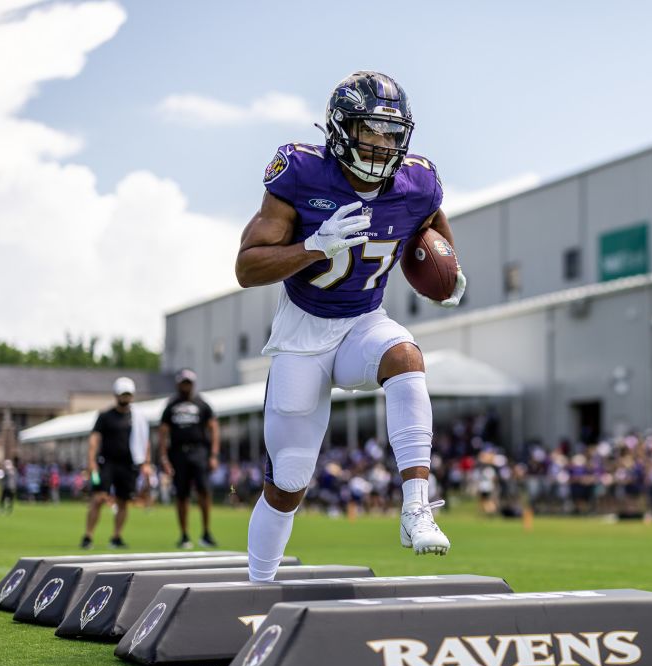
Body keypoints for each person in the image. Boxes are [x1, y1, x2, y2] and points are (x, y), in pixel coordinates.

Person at [235, 71, 465, 581]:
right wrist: (315, 245)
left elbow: (433, 228)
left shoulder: (417, 182)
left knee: (406, 356)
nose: (383, 145)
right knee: (289, 480)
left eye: (391, 133)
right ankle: (257, 585)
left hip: (363, 322)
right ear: (342, 129)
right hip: (302, 336)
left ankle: (415, 508)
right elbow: (246, 268)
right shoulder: (302, 171)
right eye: (371, 131)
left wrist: (450, 275)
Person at [81, 377, 152, 549]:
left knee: (123, 501)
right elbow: (94, 438)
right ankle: (88, 536)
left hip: (128, 465)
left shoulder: (138, 418)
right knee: (98, 499)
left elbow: (145, 441)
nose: (125, 398)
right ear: (116, 395)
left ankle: (116, 536)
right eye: (122, 394)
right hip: (107, 463)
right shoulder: (105, 416)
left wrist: (147, 462)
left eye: (128, 394)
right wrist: (91, 461)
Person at [158, 368, 220, 549]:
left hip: (199, 451)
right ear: (178, 384)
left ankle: (206, 532)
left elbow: (214, 428)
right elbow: (163, 433)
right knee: (182, 494)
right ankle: (184, 535)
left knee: (204, 491)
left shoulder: (202, 404)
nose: (186, 386)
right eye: (183, 383)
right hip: (178, 453)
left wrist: (214, 454)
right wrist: (164, 458)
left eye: (189, 383)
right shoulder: (171, 405)